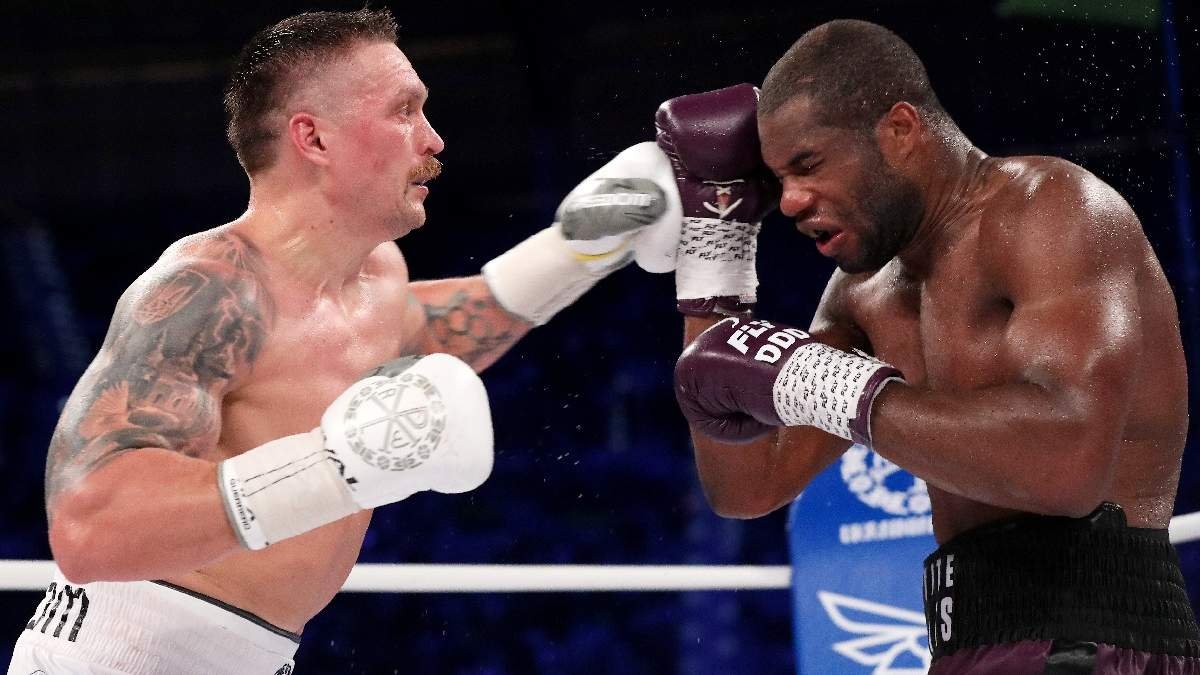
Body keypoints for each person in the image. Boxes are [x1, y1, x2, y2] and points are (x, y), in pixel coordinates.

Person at [8, 8, 679, 674]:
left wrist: (576, 250)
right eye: (404, 111)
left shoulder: (377, 275)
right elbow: (89, 529)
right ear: (314, 138)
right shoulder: (211, 289)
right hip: (119, 654)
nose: (434, 139)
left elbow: (421, 336)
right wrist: (333, 465)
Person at [661, 19, 1200, 673]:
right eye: (778, 181)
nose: (793, 201)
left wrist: (820, 381)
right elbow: (748, 483)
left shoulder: (1048, 210)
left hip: (1092, 638)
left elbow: (1067, 467)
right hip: (967, 640)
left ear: (900, 130)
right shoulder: (864, 291)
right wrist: (716, 253)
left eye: (807, 166)